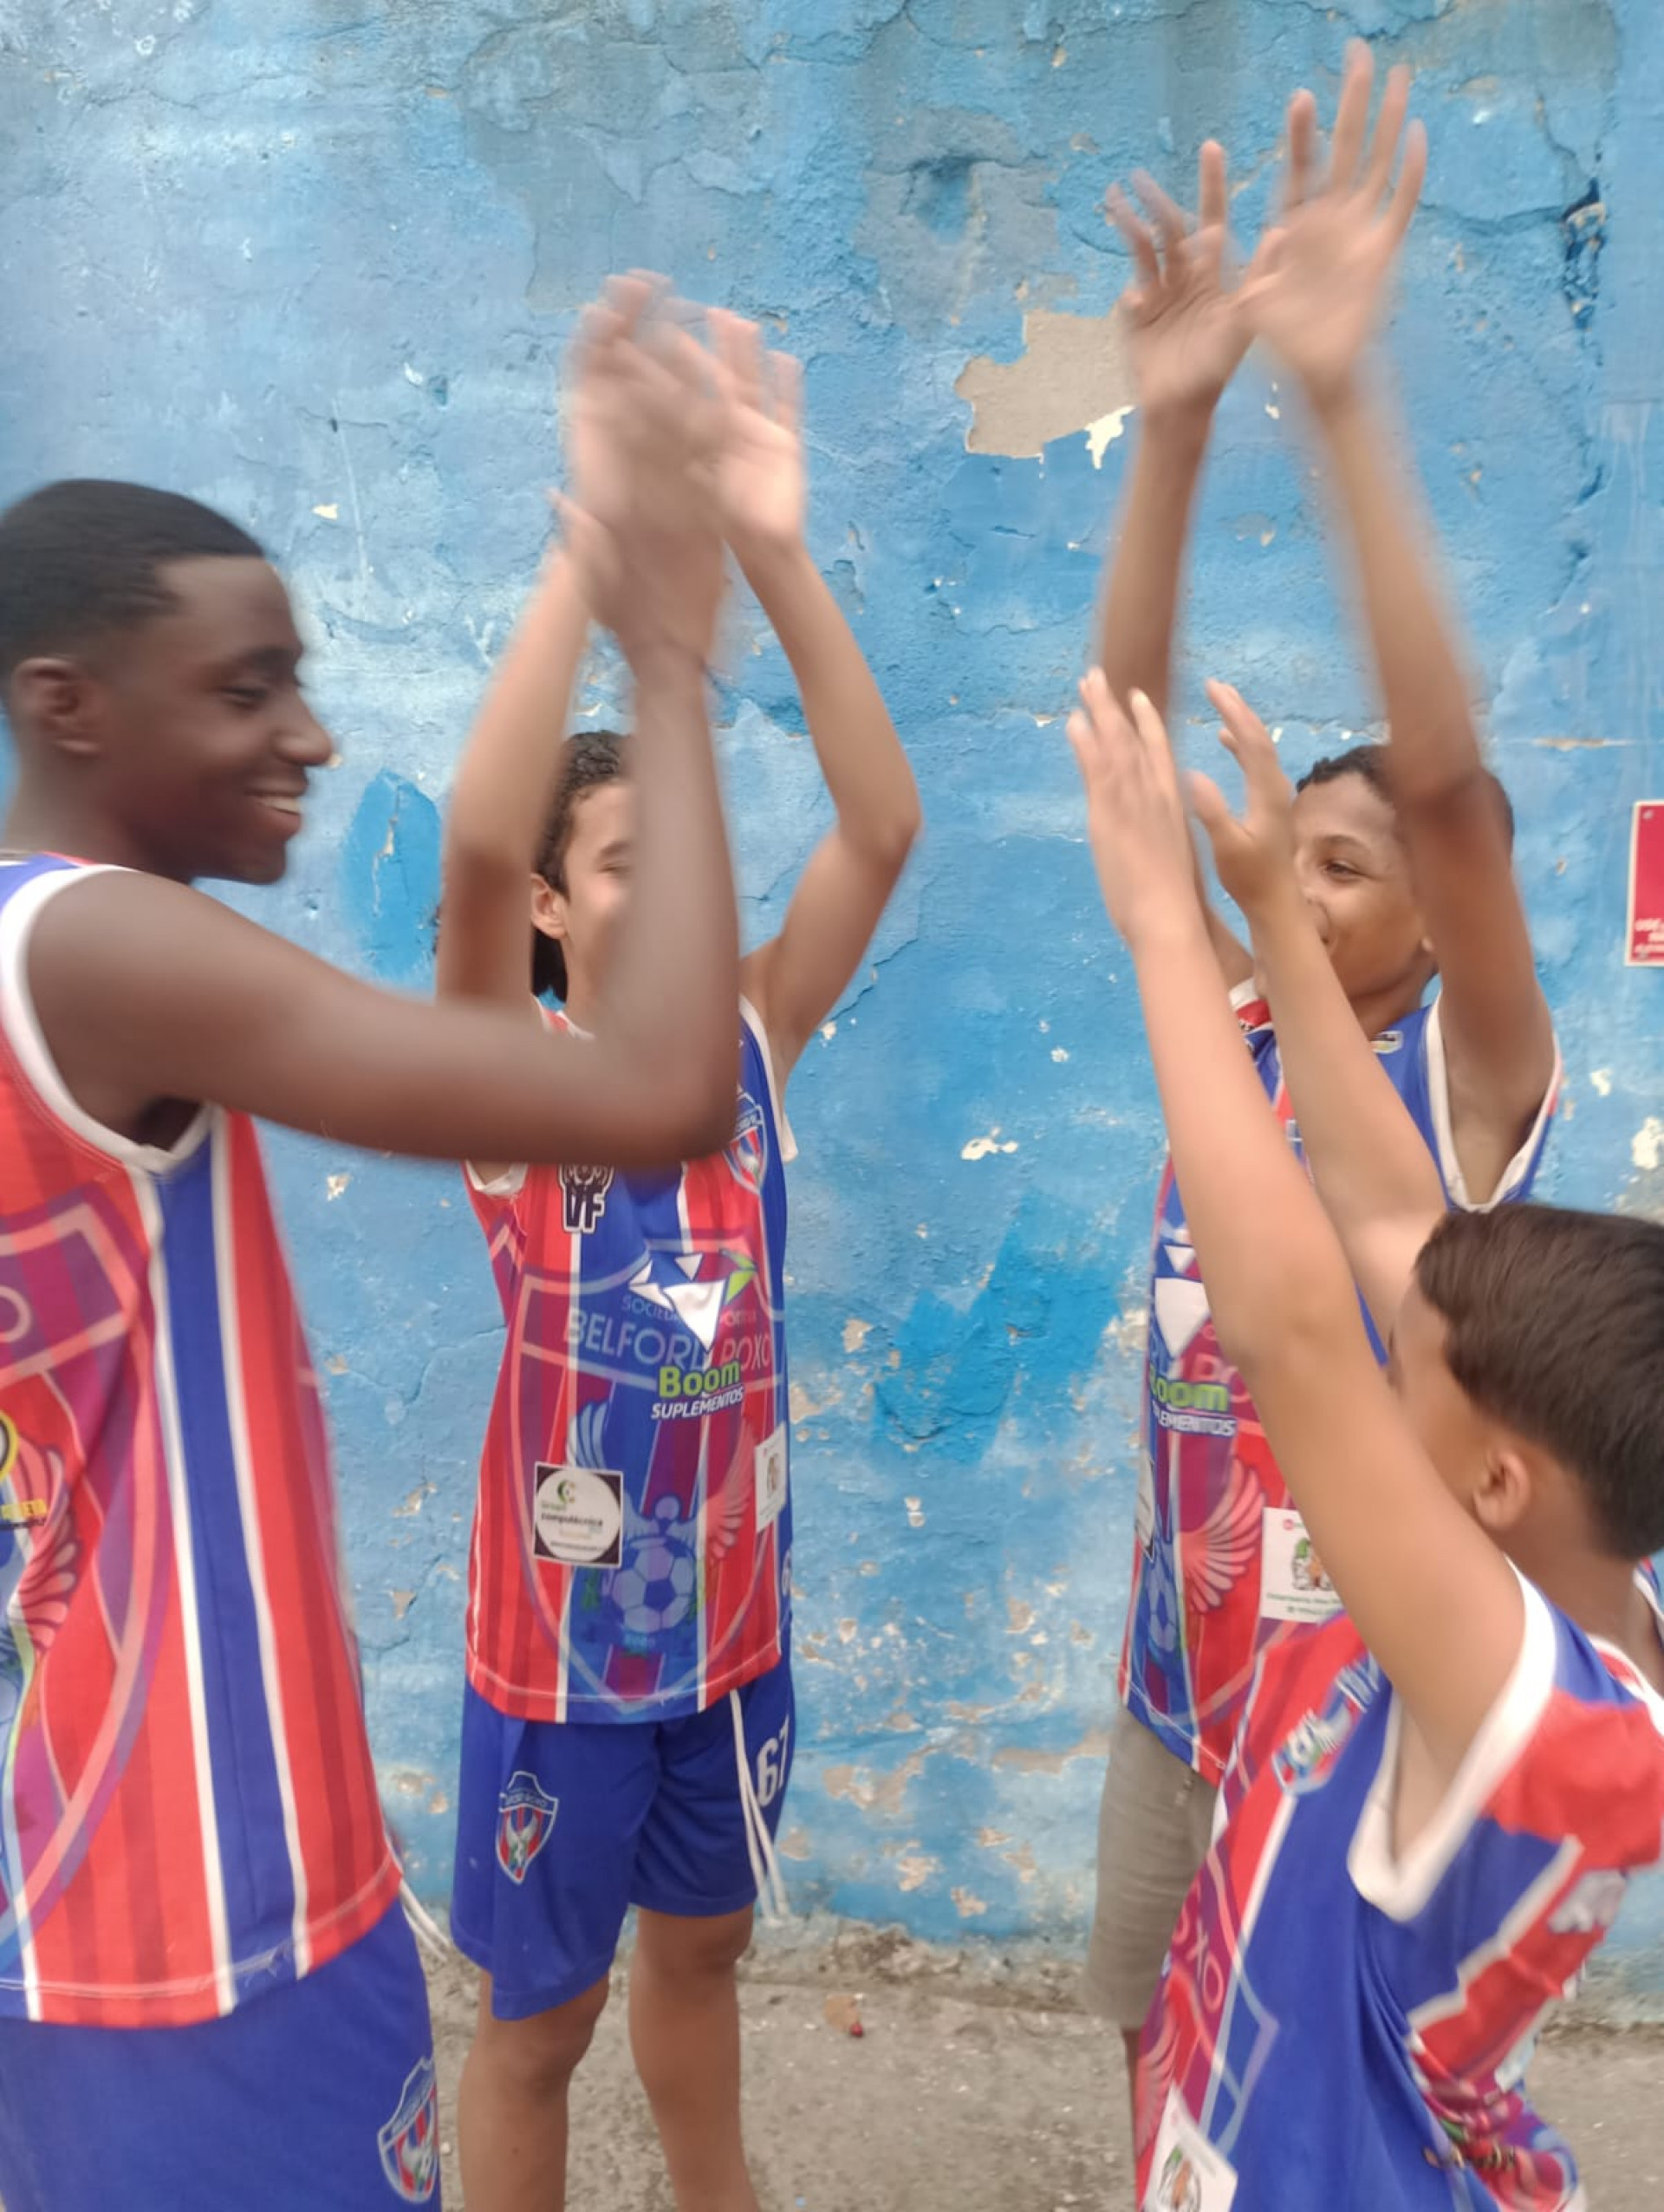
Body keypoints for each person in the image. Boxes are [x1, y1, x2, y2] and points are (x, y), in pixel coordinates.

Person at [0, 290, 740, 2211]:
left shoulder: (48, 965)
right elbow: (666, 1081)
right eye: (244, 690)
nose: (310, 734)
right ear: (67, 704)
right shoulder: (102, 951)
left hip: (96, 1862)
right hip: (199, 1882)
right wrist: (668, 653)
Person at [1083, 48, 1561, 2096]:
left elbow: (1449, 793)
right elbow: (1118, 722)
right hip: (1178, 1675)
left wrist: (1340, 401)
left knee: (1337, 2088)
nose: (1294, 870)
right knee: (1156, 2047)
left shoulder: (1467, 1090)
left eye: (1342, 862)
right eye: (1294, 855)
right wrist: (1174, 431)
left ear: (1439, 921)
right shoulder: (1242, 1025)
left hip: (1367, 1696)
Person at [437, 289, 920, 2212]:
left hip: (730, 1648)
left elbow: (880, 821)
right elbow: (473, 853)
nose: (660, 897)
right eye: (619, 864)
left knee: (704, 1965)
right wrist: (592, 562)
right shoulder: (505, 1078)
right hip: (558, 1666)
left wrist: (775, 554)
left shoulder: (750, 1043)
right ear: (556, 913)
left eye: (680, 857)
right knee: (536, 2025)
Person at [1069, 664, 1664, 2209]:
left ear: (1493, 1480)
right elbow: (1387, 1208)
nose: (1369, 1408)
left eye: (1410, 1385)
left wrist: (1157, 929)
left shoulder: (1542, 1712)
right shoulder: (1575, 1596)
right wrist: (1267, 907)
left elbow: (1301, 1323)